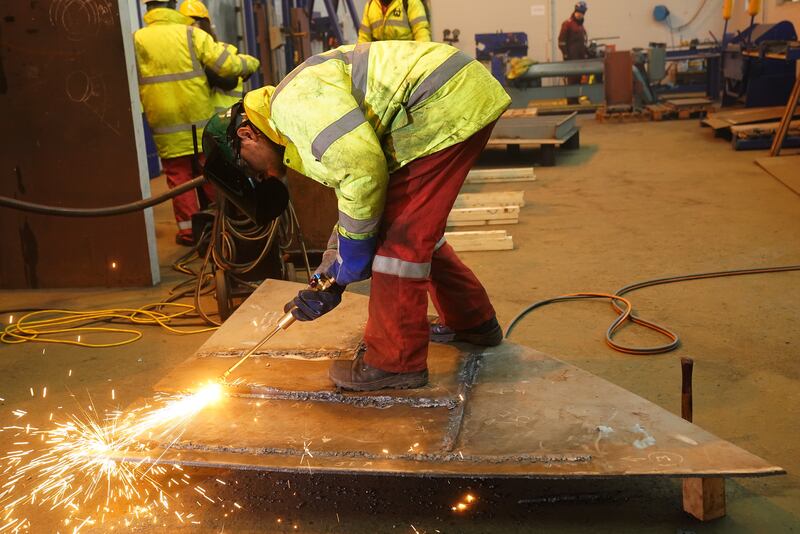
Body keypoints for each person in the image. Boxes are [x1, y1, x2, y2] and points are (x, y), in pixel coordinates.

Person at [214, 41, 509, 391]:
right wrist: (330, 270)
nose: (263, 176)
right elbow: (355, 198)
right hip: (449, 96)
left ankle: (395, 362)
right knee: (412, 229)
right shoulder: (293, 119)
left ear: (247, 135)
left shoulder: (292, 107)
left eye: (252, 170)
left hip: (441, 102)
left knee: (397, 243)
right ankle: (472, 321)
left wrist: (351, 260)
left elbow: (363, 171)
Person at [134, 0, 260, 246]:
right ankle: (223, 223)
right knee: (211, 170)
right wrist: (252, 64)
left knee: (178, 176)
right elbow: (227, 66)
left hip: (164, 122)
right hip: (198, 119)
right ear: (172, 4)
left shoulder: (136, 39)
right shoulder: (191, 35)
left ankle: (190, 232)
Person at [178, 0, 249, 112]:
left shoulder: (225, 50)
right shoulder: (182, 57)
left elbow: (230, 81)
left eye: (194, 24)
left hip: (225, 123)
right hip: (200, 122)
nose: (192, 32)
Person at [558, 1, 589, 104]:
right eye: (578, 12)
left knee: (578, 80)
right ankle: (571, 102)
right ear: (575, 11)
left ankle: (575, 100)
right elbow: (561, 42)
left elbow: (582, 43)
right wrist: (566, 55)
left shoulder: (581, 27)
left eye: (582, 12)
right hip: (571, 59)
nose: (580, 14)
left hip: (580, 60)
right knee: (572, 80)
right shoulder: (568, 24)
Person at [357, 0, 430, 43]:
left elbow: (422, 33)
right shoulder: (370, 5)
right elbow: (363, 39)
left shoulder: (410, 2)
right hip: (380, 63)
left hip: (406, 60)